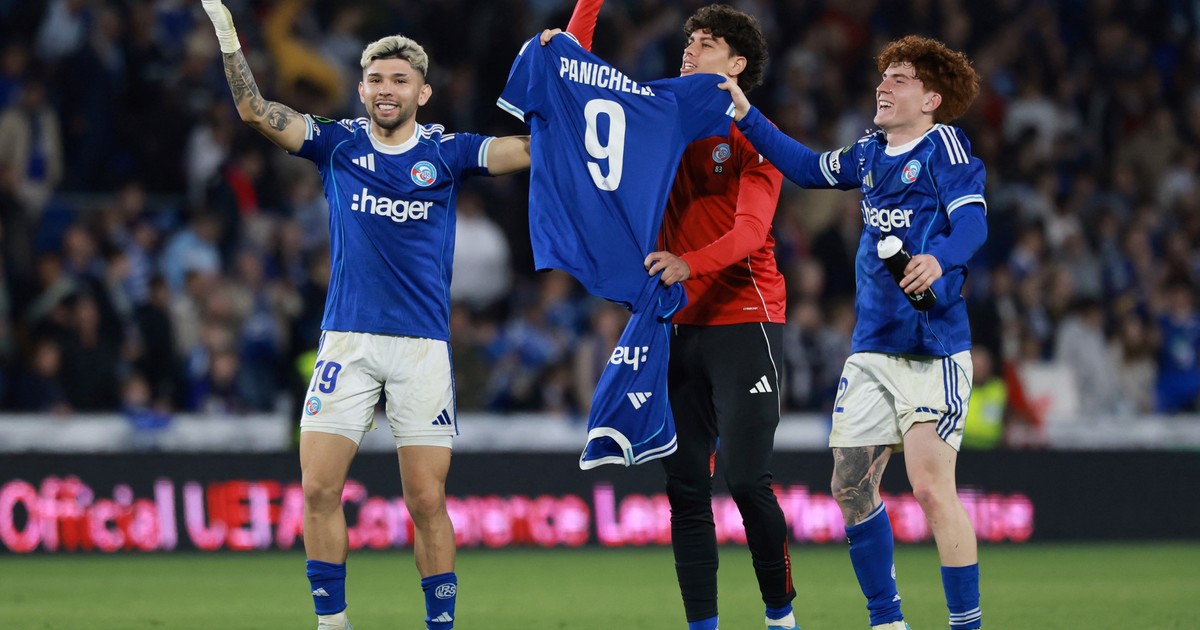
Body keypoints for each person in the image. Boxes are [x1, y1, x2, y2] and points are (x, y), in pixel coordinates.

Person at [201, 2, 534, 629]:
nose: (386, 89)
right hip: (347, 343)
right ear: (361, 90)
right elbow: (254, 110)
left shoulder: (449, 152)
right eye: (376, 79)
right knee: (318, 489)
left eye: (400, 80)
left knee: (426, 499)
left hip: (421, 348)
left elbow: (527, 151)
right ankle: (333, 624)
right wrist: (228, 36)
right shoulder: (338, 144)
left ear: (422, 93)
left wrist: (577, 112)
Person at [540, 3, 797, 628]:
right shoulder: (658, 120)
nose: (690, 49)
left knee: (746, 480)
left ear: (736, 64)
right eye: (690, 40)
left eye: (706, 43)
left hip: (745, 317)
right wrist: (585, 10)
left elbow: (750, 233)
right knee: (685, 487)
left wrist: (688, 263)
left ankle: (780, 615)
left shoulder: (755, 136)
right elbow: (579, 81)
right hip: (676, 324)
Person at [722, 35, 987, 630]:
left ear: (931, 100)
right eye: (883, 76)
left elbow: (972, 222)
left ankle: (966, 625)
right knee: (849, 486)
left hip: (932, 348)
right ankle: (887, 621)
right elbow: (805, 167)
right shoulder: (869, 154)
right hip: (871, 350)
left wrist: (940, 259)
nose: (883, 86)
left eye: (900, 79)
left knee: (930, 488)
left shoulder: (943, 146)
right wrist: (745, 113)